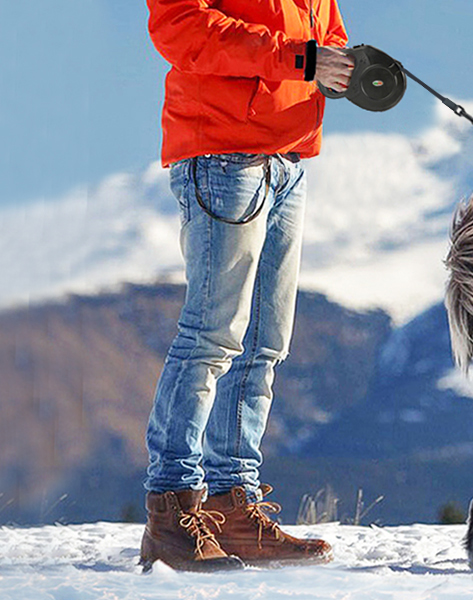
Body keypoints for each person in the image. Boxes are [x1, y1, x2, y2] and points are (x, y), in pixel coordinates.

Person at [139, 0, 355, 572]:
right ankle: (172, 507)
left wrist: (342, 65)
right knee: (212, 337)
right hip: (221, 154)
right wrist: (304, 58)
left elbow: (324, 30)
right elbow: (180, 28)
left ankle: (235, 506)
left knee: (264, 343)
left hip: (287, 159)